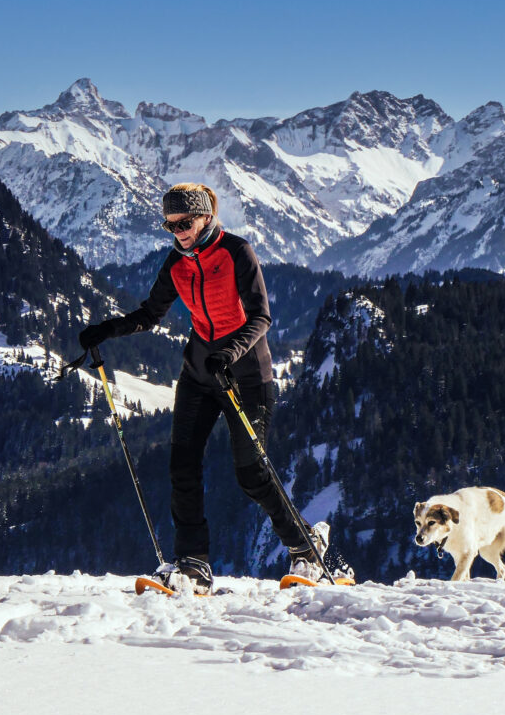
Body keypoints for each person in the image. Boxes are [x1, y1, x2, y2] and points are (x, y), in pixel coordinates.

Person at [78, 183, 337, 593]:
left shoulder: (237, 252)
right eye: (170, 224)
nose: (178, 230)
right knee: (182, 466)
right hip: (199, 375)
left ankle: (306, 547)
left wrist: (230, 353)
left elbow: (261, 317)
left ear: (205, 216)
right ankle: (193, 564)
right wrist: (104, 331)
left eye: (185, 221)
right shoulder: (176, 263)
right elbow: (150, 314)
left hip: (247, 376)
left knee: (251, 474)